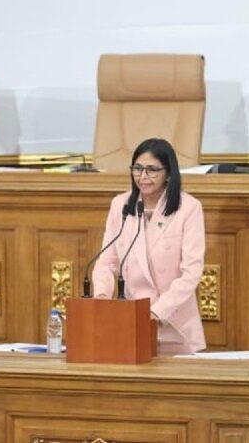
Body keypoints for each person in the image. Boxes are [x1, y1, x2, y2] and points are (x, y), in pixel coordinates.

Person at [93, 138, 206, 355]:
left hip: (173, 322)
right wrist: (102, 298)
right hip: (131, 321)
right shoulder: (120, 205)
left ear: (169, 173)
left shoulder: (188, 208)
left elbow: (191, 272)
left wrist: (156, 312)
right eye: (137, 168)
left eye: (152, 170)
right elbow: (107, 261)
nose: (143, 176)